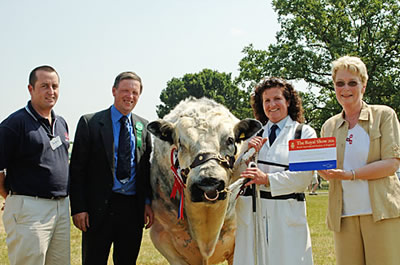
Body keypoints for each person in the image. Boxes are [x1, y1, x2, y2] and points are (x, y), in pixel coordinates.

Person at [318, 56, 400, 265]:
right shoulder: (329, 126)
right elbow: (326, 167)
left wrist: (350, 175)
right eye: (340, 83)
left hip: (381, 212)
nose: (346, 89)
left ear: (363, 84)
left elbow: (392, 164)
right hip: (343, 216)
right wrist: (318, 168)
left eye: (352, 83)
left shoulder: (384, 115)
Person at [69, 71, 154, 265]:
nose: (130, 96)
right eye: (125, 90)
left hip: (132, 210)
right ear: (114, 91)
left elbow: (145, 169)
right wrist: (79, 208)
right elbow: (77, 170)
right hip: (98, 210)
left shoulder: (143, 126)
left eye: (135, 92)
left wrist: (147, 202)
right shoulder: (90, 123)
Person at [233, 77, 316, 265]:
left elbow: (303, 178)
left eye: (277, 99)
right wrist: (246, 154)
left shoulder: (304, 133)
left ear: (288, 101)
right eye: (266, 101)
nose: (272, 105)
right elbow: (235, 176)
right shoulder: (253, 135)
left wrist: (267, 179)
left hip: (286, 212)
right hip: (253, 213)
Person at [0, 65, 70, 265]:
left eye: (55, 86)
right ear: (30, 89)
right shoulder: (14, 124)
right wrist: (12, 197)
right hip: (29, 208)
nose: (51, 91)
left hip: (61, 207)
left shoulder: (61, 123)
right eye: (44, 86)